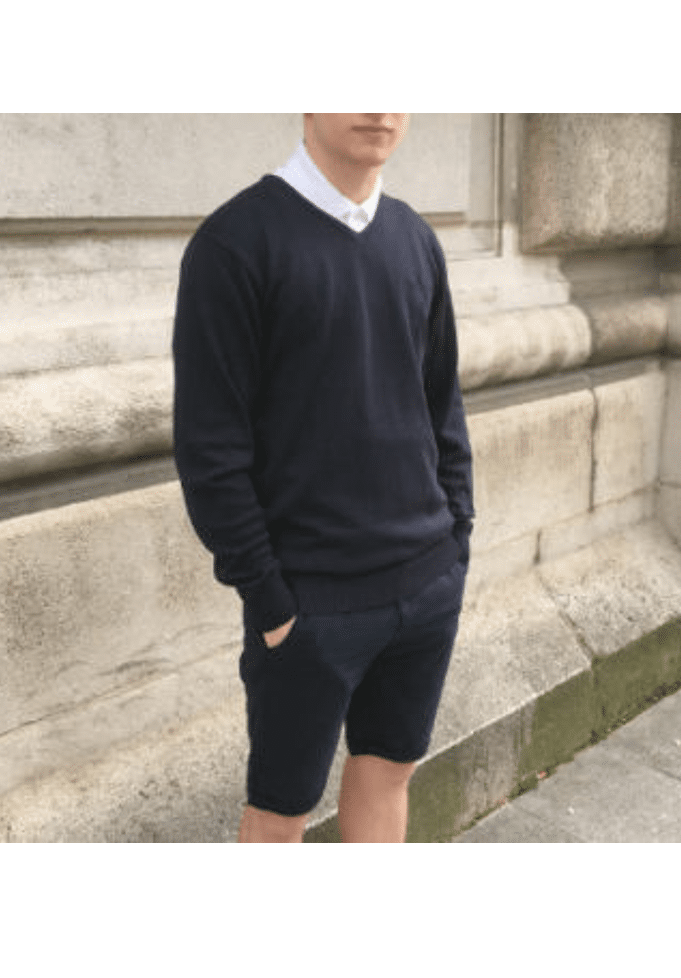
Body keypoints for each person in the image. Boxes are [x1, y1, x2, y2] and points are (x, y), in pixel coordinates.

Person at [172, 113, 473, 843]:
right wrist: (271, 601)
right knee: (279, 818)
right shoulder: (235, 243)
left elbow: (441, 403)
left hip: (426, 582)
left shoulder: (415, 239)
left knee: (388, 775)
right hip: (310, 608)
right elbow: (209, 448)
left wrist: (456, 540)